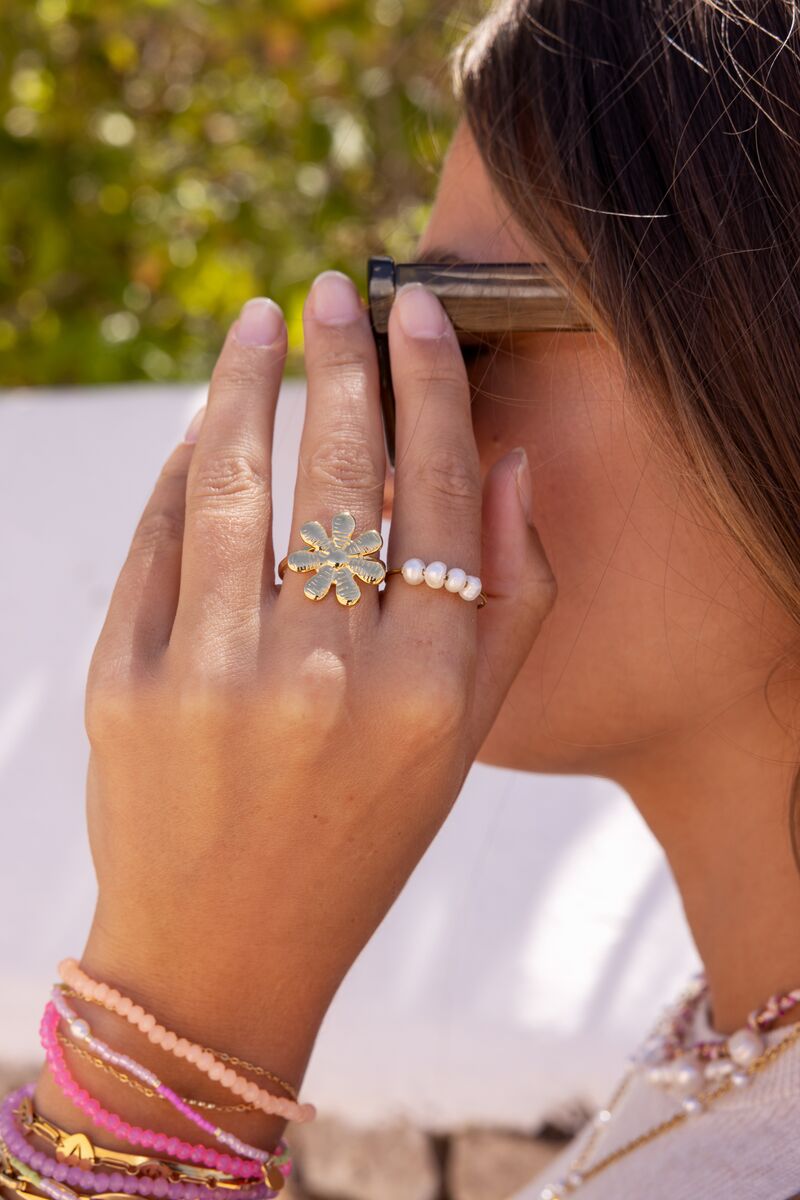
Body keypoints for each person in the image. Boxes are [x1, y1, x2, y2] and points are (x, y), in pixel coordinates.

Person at [6, 2, 800, 1199]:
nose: (389, 417)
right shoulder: (732, 1046)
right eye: (395, 326)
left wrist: (175, 1039)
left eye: (464, 325)